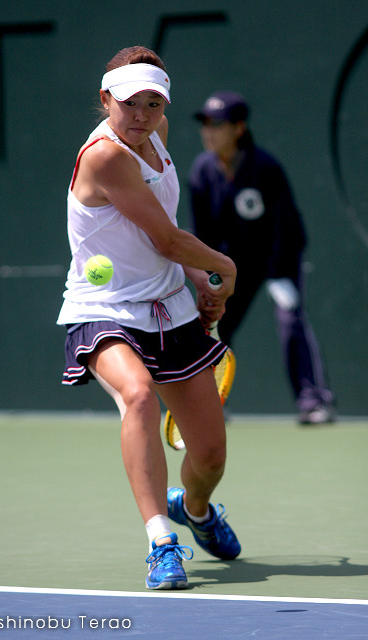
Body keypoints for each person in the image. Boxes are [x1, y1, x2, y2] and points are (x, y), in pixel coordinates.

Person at [57, 47, 241, 590]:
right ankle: (162, 542)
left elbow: (159, 233)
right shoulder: (105, 157)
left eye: (153, 103)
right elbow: (166, 238)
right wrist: (224, 268)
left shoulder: (154, 135)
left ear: (164, 106)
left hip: (169, 307)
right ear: (105, 99)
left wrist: (195, 282)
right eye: (128, 103)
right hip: (105, 309)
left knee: (209, 457)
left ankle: (196, 509)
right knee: (137, 395)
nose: (140, 115)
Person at [189, 91, 335, 424]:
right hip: (232, 264)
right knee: (215, 324)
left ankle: (314, 402)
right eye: (205, 124)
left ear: (239, 128)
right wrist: (211, 276)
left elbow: (286, 226)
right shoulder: (201, 171)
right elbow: (203, 233)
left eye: (217, 124)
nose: (208, 131)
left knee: (291, 320)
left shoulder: (265, 167)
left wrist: (279, 275)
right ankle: (211, 402)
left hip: (277, 259)